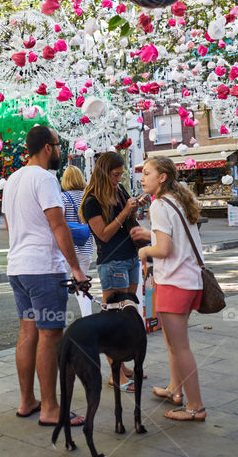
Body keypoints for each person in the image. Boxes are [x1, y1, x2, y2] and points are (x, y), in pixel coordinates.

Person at [2, 125, 86, 426]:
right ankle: (51, 408)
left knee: (28, 332)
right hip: (43, 269)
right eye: (58, 145)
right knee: (50, 336)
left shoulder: (12, 180)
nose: (61, 151)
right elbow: (59, 226)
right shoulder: (46, 179)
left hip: (18, 268)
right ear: (48, 148)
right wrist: (75, 268)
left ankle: (28, 401)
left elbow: (12, 226)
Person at [135, 156, 207, 422]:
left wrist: (144, 249)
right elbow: (173, 239)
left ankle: (196, 407)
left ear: (162, 177)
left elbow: (163, 249)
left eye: (148, 173)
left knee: (180, 347)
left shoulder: (159, 205)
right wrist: (149, 236)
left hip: (174, 282)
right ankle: (175, 390)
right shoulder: (176, 200)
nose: (142, 178)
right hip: (187, 280)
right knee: (173, 343)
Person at [82, 151, 142, 389]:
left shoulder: (118, 191)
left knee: (127, 316)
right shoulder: (92, 201)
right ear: (103, 173)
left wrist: (134, 208)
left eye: (121, 175)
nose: (119, 179)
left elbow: (125, 220)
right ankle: (115, 373)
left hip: (130, 257)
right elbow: (104, 235)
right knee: (113, 319)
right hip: (112, 261)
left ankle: (123, 366)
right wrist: (126, 211)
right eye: (115, 175)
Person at [60, 165, 95, 317]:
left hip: (68, 250)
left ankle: (58, 317)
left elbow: (59, 223)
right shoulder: (88, 197)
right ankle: (87, 317)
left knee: (61, 287)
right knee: (82, 286)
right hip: (86, 249)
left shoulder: (62, 198)